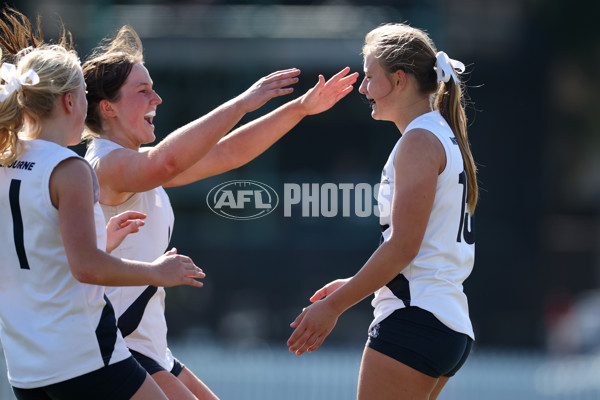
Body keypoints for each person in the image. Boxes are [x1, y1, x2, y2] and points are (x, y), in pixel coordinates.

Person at [82, 25, 358, 400]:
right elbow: (167, 161)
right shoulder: (106, 163)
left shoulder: (132, 162)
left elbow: (228, 153)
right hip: (118, 346)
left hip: (148, 346)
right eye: (143, 91)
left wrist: (300, 108)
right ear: (108, 107)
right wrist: (243, 101)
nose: (157, 98)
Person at [0, 9, 206, 400]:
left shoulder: (7, 160)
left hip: (26, 368)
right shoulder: (68, 166)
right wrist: (156, 271)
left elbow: (33, 255)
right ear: (68, 101)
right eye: (83, 95)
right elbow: (87, 268)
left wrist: (104, 241)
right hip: (84, 355)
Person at [287, 23, 478, 400]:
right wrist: (360, 284)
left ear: (400, 80)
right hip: (441, 320)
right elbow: (419, 250)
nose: (362, 89)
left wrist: (334, 307)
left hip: (415, 320)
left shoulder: (419, 140)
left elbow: (404, 247)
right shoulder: (438, 133)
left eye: (370, 77)